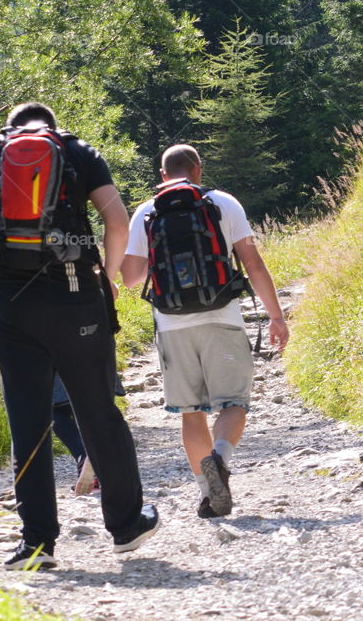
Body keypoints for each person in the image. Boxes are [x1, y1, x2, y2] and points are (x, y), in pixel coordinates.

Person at [0, 101, 159, 569]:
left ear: (10, 128)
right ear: (51, 126)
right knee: (96, 411)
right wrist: (106, 275)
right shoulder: (78, 153)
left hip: (11, 304)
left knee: (27, 420)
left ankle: (36, 544)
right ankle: (126, 526)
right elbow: (117, 221)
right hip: (77, 299)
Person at [120, 143, 289, 519]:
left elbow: (130, 278)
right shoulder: (223, 203)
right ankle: (220, 459)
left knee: (190, 412)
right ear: (198, 169)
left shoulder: (147, 211)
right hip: (223, 318)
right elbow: (253, 264)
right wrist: (276, 316)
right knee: (233, 403)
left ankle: (207, 493)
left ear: (163, 175)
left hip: (172, 324)